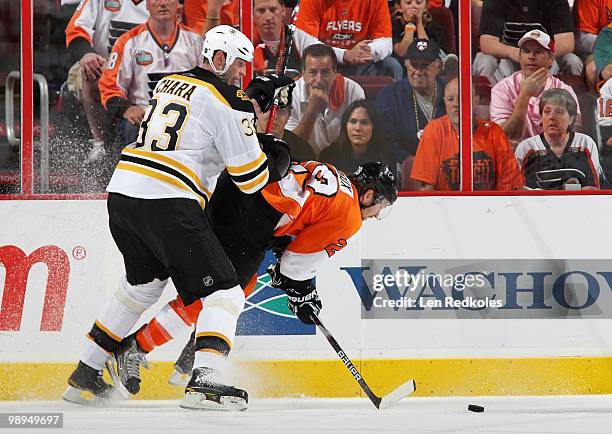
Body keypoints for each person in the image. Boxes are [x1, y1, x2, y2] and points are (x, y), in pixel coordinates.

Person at [63, 25, 293, 411]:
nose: (241, 75)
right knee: (224, 292)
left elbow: (200, 130)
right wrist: (275, 151)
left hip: (123, 194)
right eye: (238, 65)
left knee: (143, 286)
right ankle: (205, 380)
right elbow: (250, 179)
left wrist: (250, 113)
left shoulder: (169, 83)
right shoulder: (230, 99)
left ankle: (86, 372)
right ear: (219, 58)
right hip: (169, 201)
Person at [104, 161, 399, 392]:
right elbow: (294, 267)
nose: (375, 214)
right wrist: (304, 295)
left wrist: (293, 274)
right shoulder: (350, 216)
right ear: (370, 194)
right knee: (224, 292)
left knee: (240, 286)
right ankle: (138, 347)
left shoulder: (335, 175)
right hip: (251, 219)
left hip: (234, 195)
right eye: (380, 206)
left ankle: (192, 350)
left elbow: (298, 225)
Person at [98, 0, 203, 152]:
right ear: (146, 4)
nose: (163, 4)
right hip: (143, 117)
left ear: (179, 4)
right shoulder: (128, 42)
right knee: (130, 127)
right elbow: (109, 87)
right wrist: (127, 108)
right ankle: (132, 174)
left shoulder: (195, 41)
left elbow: (209, 83)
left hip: (186, 118)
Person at [65, 0, 148, 163]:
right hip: (103, 61)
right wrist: (85, 53)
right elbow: (76, 29)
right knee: (92, 69)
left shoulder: (161, 4)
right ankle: (100, 143)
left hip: (141, 67)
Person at [411, 77, 524, 190]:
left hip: (487, 206)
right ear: (445, 102)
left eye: (462, 99)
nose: (456, 104)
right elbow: (426, 187)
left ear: (475, 101)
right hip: (445, 205)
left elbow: (509, 184)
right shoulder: (433, 130)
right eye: (450, 99)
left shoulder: (494, 131)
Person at [489, 30, 581, 145]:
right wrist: (524, 95)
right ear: (520, 57)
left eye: (538, 52)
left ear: (551, 60)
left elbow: (572, 134)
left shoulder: (563, 90)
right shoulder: (502, 89)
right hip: (513, 157)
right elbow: (504, 136)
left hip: (552, 156)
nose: (531, 56)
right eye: (526, 51)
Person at [472, 0, 582, 85]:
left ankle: (567, 106)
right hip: (508, 58)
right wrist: (516, 53)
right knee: (484, 60)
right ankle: (486, 107)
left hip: (545, 58)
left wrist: (542, 55)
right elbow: (486, 43)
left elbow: (567, 42)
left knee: (572, 61)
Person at [286, 43, 365, 157]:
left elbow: (359, 140)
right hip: (303, 162)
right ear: (303, 73)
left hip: (343, 161)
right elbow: (292, 148)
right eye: (313, 73)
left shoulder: (353, 91)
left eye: (325, 72)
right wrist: (312, 112)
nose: (319, 79)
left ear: (335, 72)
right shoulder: (290, 94)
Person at [376, 38, 446, 164]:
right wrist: (411, 163)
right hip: (403, 168)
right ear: (406, 64)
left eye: (425, 66)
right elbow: (386, 142)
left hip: (446, 166)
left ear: (439, 66)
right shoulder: (389, 96)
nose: (418, 72)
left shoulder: (451, 94)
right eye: (414, 65)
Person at [293, 0, 404, 80]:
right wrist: (345, 55)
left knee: (391, 65)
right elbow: (306, 45)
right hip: (325, 64)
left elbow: (385, 40)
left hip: (361, 64)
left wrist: (367, 51)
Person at [515, 88, 602, 190]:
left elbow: (593, 188)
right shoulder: (526, 148)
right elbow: (517, 188)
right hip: (537, 205)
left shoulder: (585, 143)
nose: (551, 117)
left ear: (571, 118)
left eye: (559, 112)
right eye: (547, 111)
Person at [320, 99, 396, 174]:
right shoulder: (329, 155)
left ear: (375, 127)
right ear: (345, 125)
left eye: (364, 122)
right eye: (353, 121)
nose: (357, 128)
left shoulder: (386, 159)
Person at [391, 0, 455, 73]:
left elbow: (429, 51)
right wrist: (410, 24)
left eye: (418, 3)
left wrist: (419, 24)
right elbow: (402, 52)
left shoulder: (433, 25)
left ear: (426, 6)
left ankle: (447, 65)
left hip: (431, 59)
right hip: (406, 62)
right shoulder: (394, 24)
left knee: (440, 54)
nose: (414, 6)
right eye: (408, 3)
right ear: (399, 7)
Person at [253, 0, 301, 77]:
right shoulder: (242, 43)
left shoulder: (299, 39)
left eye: (273, 10)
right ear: (252, 14)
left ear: (283, 10)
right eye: (261, 11)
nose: (268, 17)